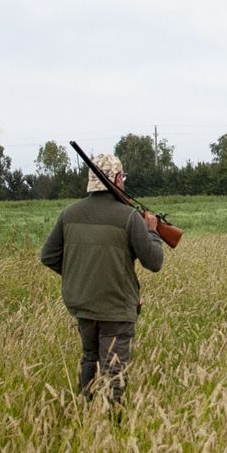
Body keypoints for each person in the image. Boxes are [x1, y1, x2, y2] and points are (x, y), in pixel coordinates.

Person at [40, 153, 164, 414]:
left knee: (89, 357)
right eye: (123, 177)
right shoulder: (129, 217)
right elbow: (154, 261)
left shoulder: (69, 214)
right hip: (117, 307)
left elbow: (48, 256)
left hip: (83, 305)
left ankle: (85, 412)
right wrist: (152, 230)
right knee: (114, 369)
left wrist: (81, 275)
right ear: (117, 179)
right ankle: (110, 426)